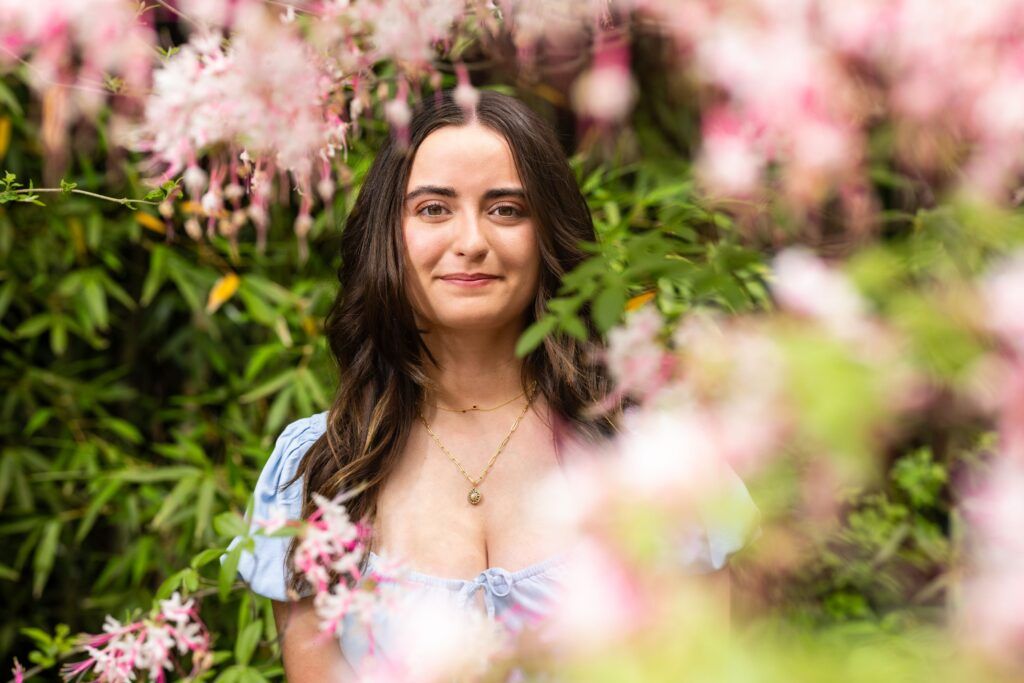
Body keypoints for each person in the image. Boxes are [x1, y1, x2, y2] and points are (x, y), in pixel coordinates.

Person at [225, 89, 759, 681]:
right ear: (388, 235)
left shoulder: (652, 454)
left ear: (548, 232)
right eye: (433, 209)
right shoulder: (320, 468)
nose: (472, 241)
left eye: (506, 209)